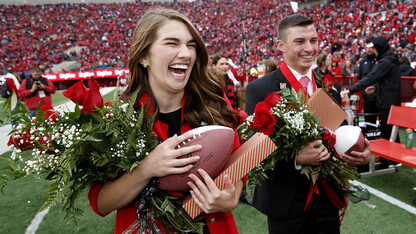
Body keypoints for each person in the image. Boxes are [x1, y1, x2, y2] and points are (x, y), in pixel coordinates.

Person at [88, 9, 244, 234]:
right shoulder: (116, 118)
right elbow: (101, 203)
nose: (186, 53)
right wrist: (146, 169)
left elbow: (237, 167)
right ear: (143, 56)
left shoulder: (214, 106)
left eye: (191, 45)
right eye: (172, 43)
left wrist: (231, 197)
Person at [245, 14, 371, 234]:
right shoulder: (260, 89)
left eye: (313, 40)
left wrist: (359, 152)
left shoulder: (328, 84)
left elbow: (337, 135)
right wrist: (295, 159)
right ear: (280, 46)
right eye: (300, 41)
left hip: (327, 197)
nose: (309, 48)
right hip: (286, 202)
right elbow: (254, 154)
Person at [341, 36, 401, 167]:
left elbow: (372, 76)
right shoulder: (390, 59)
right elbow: (387, 80)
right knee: (390, 129)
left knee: (388, 130)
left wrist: (351, 89)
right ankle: (393, 159)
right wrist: (375, 87)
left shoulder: (386, 61)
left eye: (375, 48)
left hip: (387, 100)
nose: (374, 50)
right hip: (388, 98)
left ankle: (391, 160)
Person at [356, 36, 378, 125]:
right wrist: (364, 92)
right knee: (368, 123)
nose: (368, 50)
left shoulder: (380, 60)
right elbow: (360, 78)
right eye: (367, 47)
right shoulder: (363, 61)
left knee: (382, 124)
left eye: (370, 47)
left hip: (379, 97)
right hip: (367, 98)